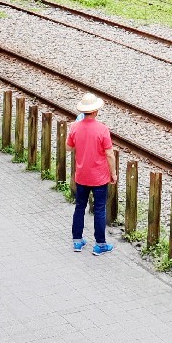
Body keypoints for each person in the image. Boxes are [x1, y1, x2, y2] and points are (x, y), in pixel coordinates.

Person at [66, 92, 117, 255]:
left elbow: (68, 147)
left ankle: (77, 241)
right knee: (100, 209)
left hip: (81, 175)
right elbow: (109, 154)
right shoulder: (102, 129)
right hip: (99, 177)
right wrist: (113, 174)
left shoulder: (75, 127)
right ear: (95, 111)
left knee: (79, 207)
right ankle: (100, 244)